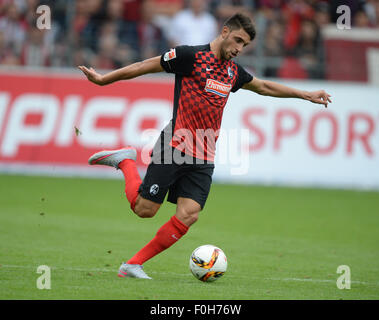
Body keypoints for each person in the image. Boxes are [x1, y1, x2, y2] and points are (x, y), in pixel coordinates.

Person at [78, 13, 331, 279]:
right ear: (224, 31)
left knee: (189, 214)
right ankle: (126, 161)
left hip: (205, 152)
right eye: (237, 41)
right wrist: (105, 79)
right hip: (175, 144)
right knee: (145, 210)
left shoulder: (233, 72)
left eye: (244, 46)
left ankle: (132, 265)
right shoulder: (190, 56)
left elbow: (264, 86)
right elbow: (145, 65)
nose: (238, 49)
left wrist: (305, 94)